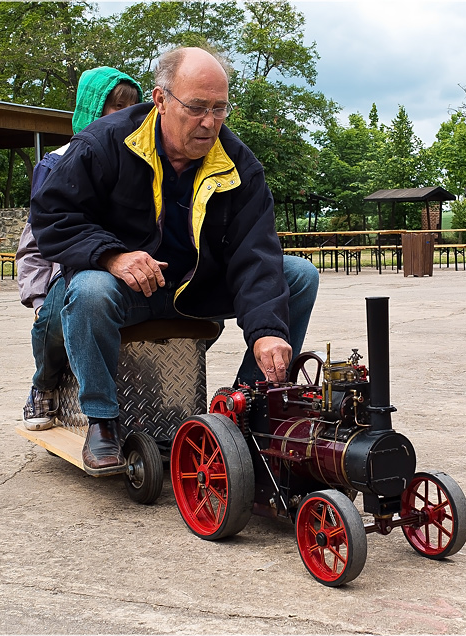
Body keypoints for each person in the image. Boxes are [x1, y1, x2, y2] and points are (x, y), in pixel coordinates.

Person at [31, 47, 317, 474]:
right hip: (123, 289)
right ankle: (103, 420)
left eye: (220, 109)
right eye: (197, 108)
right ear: (161, 100)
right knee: (88, 289)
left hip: (193, 288)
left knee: (299, 275)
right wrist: (111, 255)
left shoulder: (241, 165)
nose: (209, 122)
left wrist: (266, 331)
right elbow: (51, 217)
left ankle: (245, 409)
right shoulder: (103, 143)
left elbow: (255, 252)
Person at [17, 66, 143, 430]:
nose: (126, 116)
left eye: (133, 106)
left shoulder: (144, 157)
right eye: (115, 107)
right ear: (91, 109)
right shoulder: (57, 162)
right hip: (69, 267)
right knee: (55, 316)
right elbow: (36, 241)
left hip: (125, 268)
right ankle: (44, 384)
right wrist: (38, 298)